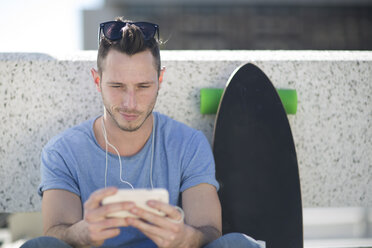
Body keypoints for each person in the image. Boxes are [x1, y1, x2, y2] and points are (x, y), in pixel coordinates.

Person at [21, 17, 261, 248]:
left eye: (143, 86)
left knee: (239, 244)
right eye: (117, 86)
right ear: (97, 81)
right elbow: (54, 233)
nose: (130, 102)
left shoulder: (188, 144)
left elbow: (209, 231)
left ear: (160, 78)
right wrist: (81, 233)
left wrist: (185, 238)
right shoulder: (63, 151)